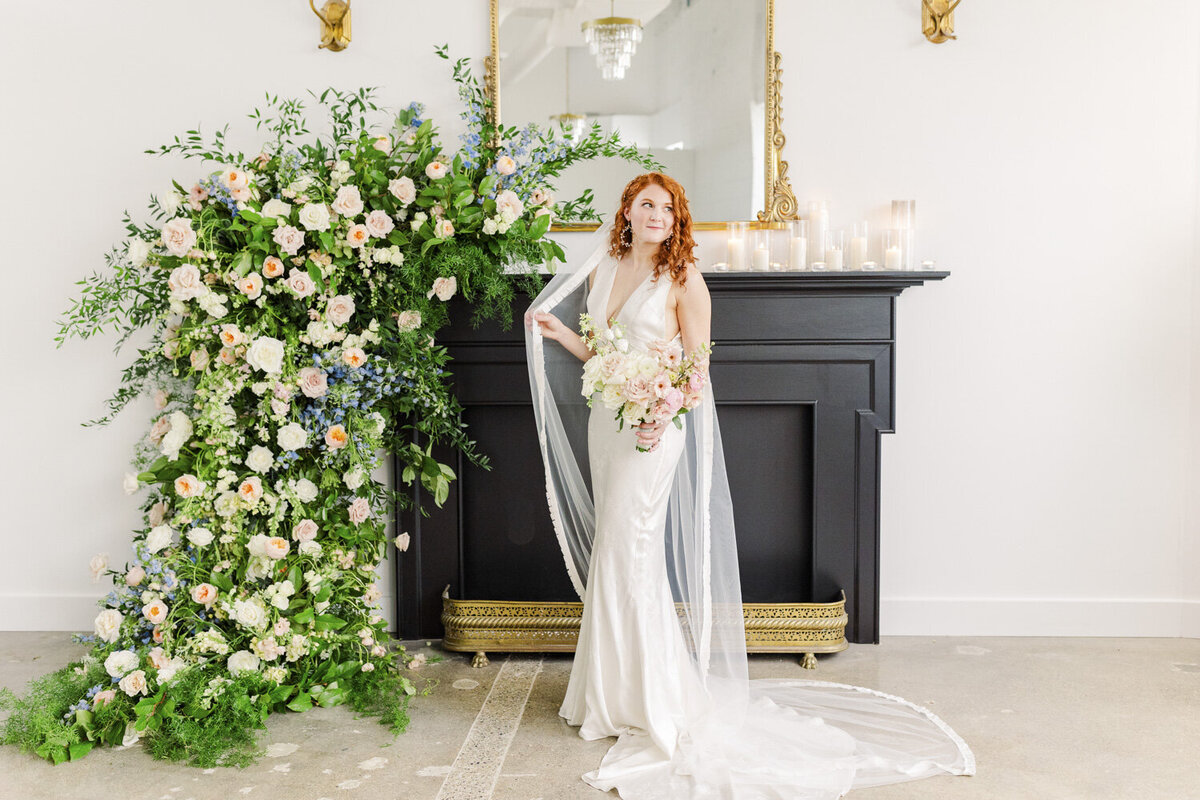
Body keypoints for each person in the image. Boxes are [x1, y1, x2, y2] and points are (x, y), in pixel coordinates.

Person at [524, 172, 975, 798]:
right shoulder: (602, 273)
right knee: (614, 547)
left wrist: (660, 410)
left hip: (655, 428)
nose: (656, 214)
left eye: (667, 206)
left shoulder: (684, 280)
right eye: (645, 204)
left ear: (678, 218)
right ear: (627, 211)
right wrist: (562, 334)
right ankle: (609, 692)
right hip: (611, 422)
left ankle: (654, 697)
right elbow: (603, 355)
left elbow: (696, 370)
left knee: (632, 551)